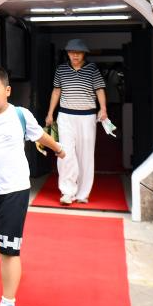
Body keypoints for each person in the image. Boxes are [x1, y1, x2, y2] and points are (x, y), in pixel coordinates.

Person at [0, 65, 64, 306]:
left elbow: (40, 136)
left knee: (9, 249)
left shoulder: (20, 115)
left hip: (15, 189)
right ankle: (12, 262)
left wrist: (58, 148)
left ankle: (8, 305)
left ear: (7, 90)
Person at [44, 39, 107, 205]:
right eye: (72, 52)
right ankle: (67, 192)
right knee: (65, 152)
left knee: (85, 155)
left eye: (78, 53)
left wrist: (103, 109)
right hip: (65, 116)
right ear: (68, 53)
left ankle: (82, 193)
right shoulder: (61, 69)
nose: (75, 56)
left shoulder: (92, 69)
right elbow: (56, 91)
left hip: (87, 117)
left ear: (84, 54)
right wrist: (50, 113)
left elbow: (99, 89)